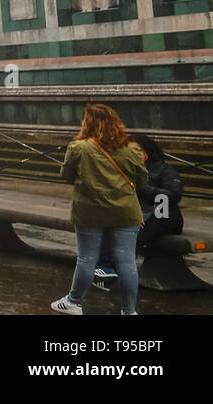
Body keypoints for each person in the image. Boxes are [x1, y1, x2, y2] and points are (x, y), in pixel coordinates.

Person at [51, 103, 148, 316]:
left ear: (88, 123)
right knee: (127, 261)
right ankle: (129, 311)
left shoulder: (78, 148)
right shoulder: (132, 149)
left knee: (87, 258)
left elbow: (66, 176)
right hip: (125, 212)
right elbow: (142, 181)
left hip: (89, 211)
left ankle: (74, 302)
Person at [94, 133, 185, 290]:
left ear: (147, 152)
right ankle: (103, 271)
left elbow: (172, 195)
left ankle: (113, 272)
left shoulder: (164, 170)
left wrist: (143, 188)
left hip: (163, 216)